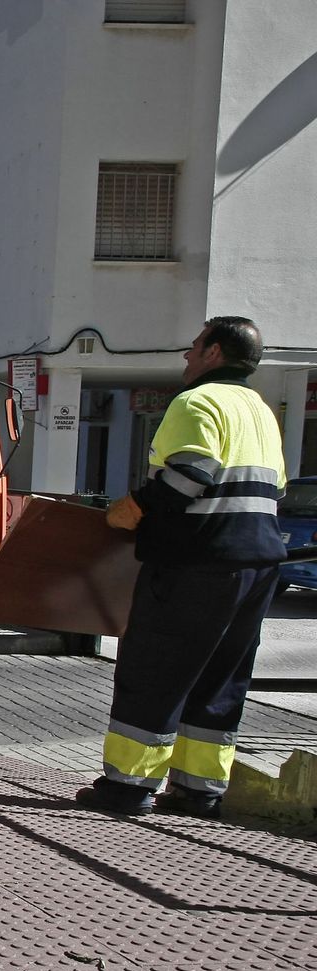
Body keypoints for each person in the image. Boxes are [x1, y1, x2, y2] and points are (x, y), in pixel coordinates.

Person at [78, 316, 286, 818]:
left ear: (215, 353)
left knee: (155, 670)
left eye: (194, 348)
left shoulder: (197, 402)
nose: (188, 358)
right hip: (257, 563)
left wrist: (133, 509)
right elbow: (275, 489)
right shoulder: (258, 410)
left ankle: (128, 789)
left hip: (198, 562)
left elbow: (190, 475)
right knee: (221, 677)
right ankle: (198, 791)